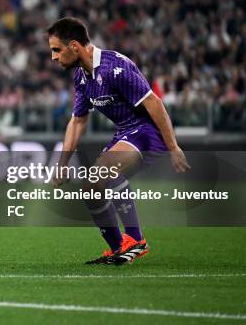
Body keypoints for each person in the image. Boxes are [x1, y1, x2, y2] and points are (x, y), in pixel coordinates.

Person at [48, 17, 190, 265]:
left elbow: (154, 103)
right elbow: (78, 121)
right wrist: (63, 163)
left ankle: (136, 240)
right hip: (124, 133)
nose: (53, 57)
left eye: (56, 50)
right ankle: (119, 249)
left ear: (74, 46)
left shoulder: (116, 67)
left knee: (104, 172)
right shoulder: (81, 77)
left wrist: (173, 147)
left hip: (147, 132)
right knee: (90, 188)